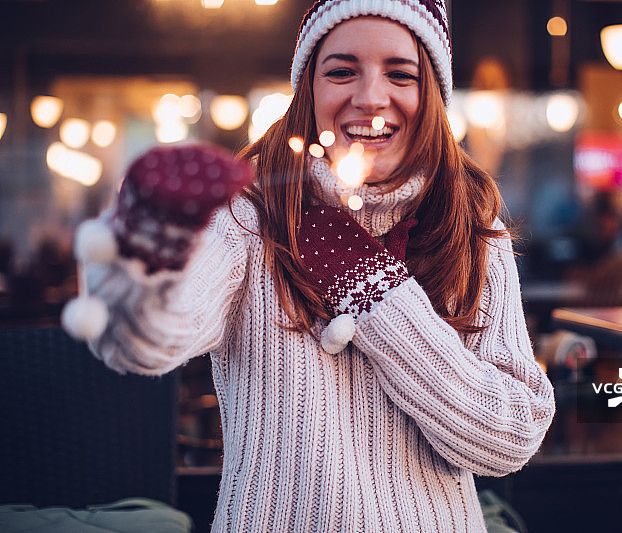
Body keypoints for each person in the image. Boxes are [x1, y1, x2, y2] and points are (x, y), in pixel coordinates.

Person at [77, 1, 555, 531]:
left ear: (434, 96)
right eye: (341, 71)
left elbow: (509, 440)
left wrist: (379, 297)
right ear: (308, 89)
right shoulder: (250, 215)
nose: (370, 96)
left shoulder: (468, 229)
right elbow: (145, 343)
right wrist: (142, 262)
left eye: (401, 74)